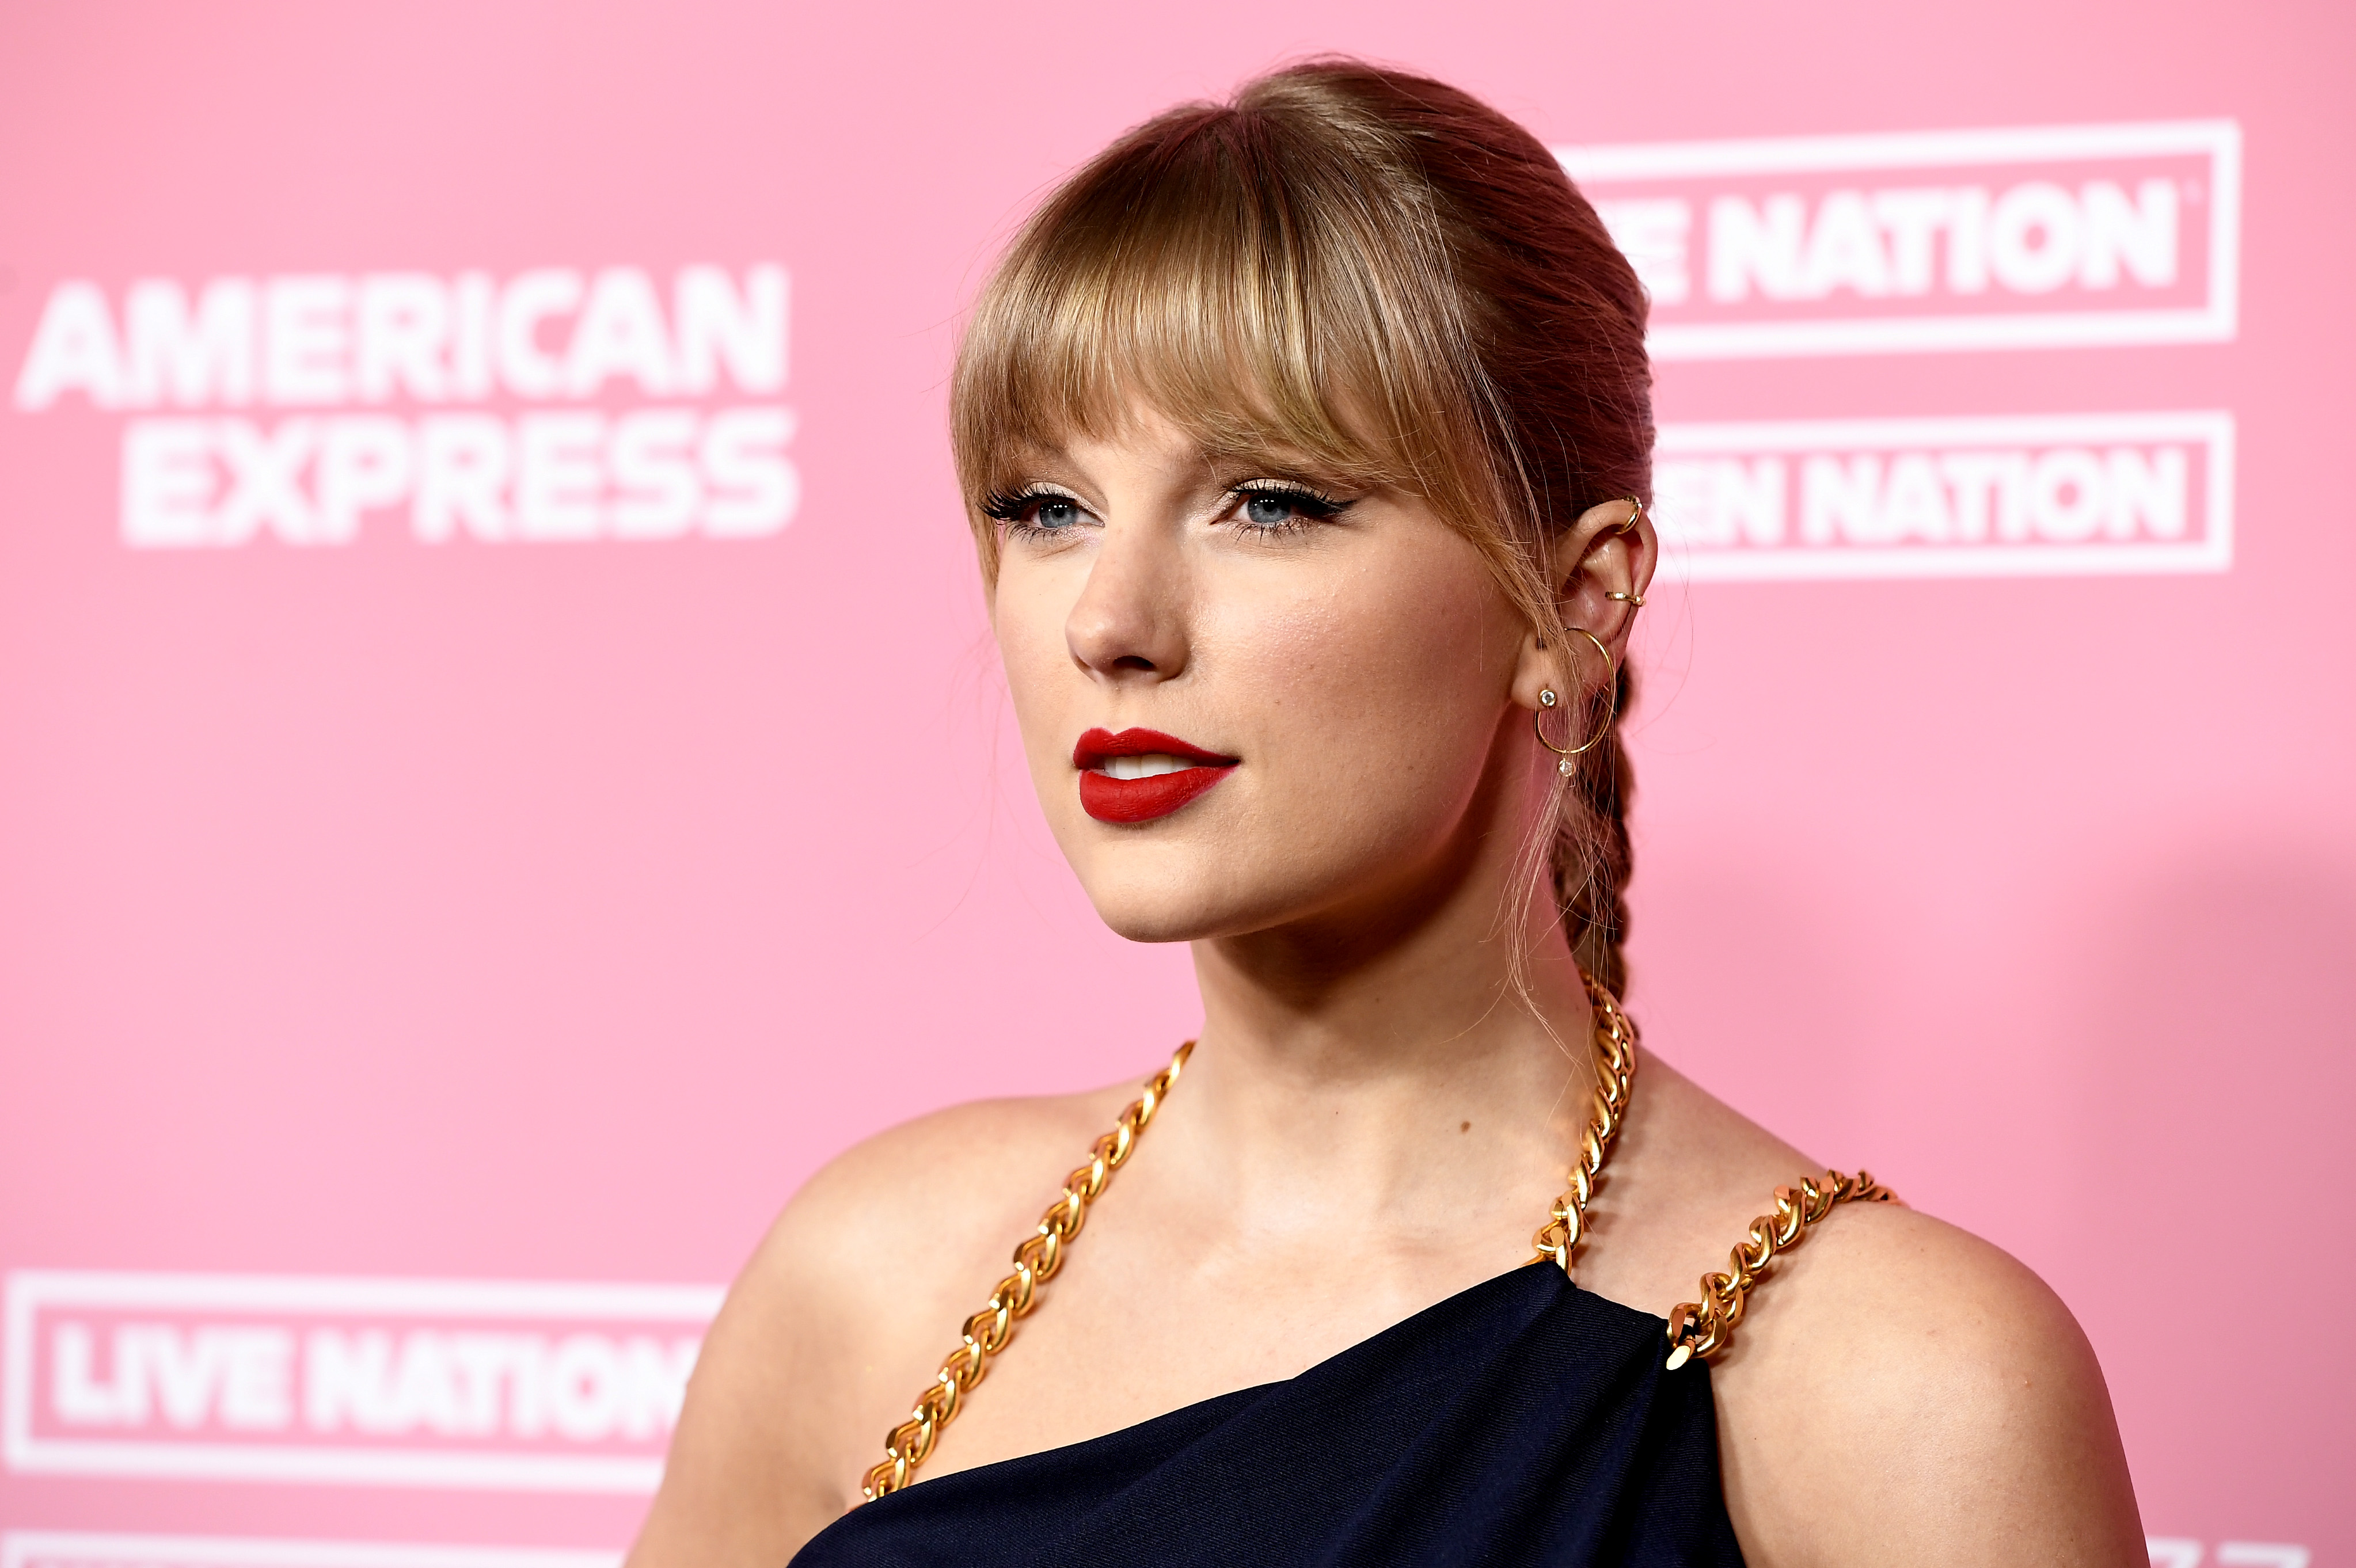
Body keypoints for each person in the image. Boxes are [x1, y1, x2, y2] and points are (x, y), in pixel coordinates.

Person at [628, 59, 2146, 1567]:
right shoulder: (874, 1273)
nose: (1110, 620)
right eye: (1045, 506)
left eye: (1270, 501)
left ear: (1574, 599)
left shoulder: (1890, 1381)